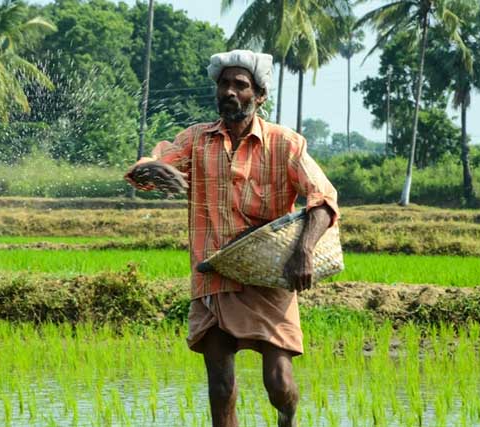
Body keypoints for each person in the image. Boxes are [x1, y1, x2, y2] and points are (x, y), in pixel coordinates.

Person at [124, 49, 339, 427]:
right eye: (224, 84)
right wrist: (158, 171)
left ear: (259, 96)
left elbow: (322, 199)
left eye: (240, 85)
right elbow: (142, 170)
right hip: (213, 275)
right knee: (221, 386)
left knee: (279, 383)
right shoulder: (196, 141)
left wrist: (303, 252)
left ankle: (287, 419)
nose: (230, 91)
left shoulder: (285, 144)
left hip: (268, 274)